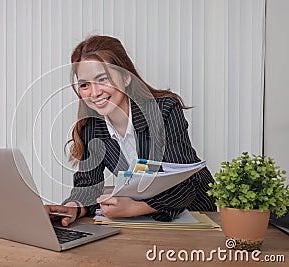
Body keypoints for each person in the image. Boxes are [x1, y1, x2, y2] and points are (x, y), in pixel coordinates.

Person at [45, 35, 216, 226]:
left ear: (126, 77)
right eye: (85, 85)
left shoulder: (164, 110)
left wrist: (136, 207)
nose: (94, 93)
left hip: (195, 214)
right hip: (144, 223)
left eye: (102, 79)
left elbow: (185, 185)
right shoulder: (92, 127)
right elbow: (88, 185)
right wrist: (73, 207)